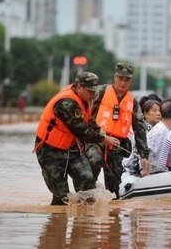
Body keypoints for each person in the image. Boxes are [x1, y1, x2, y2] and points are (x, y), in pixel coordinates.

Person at [33, 72, 120, 205]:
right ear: (79, 87)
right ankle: (57, 223)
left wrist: (103, 135)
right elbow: (82, 131)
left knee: (87, 179)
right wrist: (103, 139)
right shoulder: (66, 103)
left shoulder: (85, 100)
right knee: (61, 198)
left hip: (71, 148)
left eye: (94, 91)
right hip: (49, 152)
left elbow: (90, 122)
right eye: (89, 91)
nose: (92, 94)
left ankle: (83, 221)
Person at [85, 62, 151, 199]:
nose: (123, 82)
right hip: (96, 140)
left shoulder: (132, 102)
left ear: (130, 81)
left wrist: (144, 155)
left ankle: (113, 217)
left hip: (116, 146)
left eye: (126, 79)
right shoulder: (100, 92)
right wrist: (96, 136)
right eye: (120, 78)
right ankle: (86, 202)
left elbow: (139, 129)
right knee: (93, 161)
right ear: (115, 77)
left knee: (114, 186)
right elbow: (87, 116)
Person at [147, 98, 171, 173]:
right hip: (155, 175)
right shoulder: (159, 131)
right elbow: (147, 154)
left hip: (165, 173)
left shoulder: (167, 130)